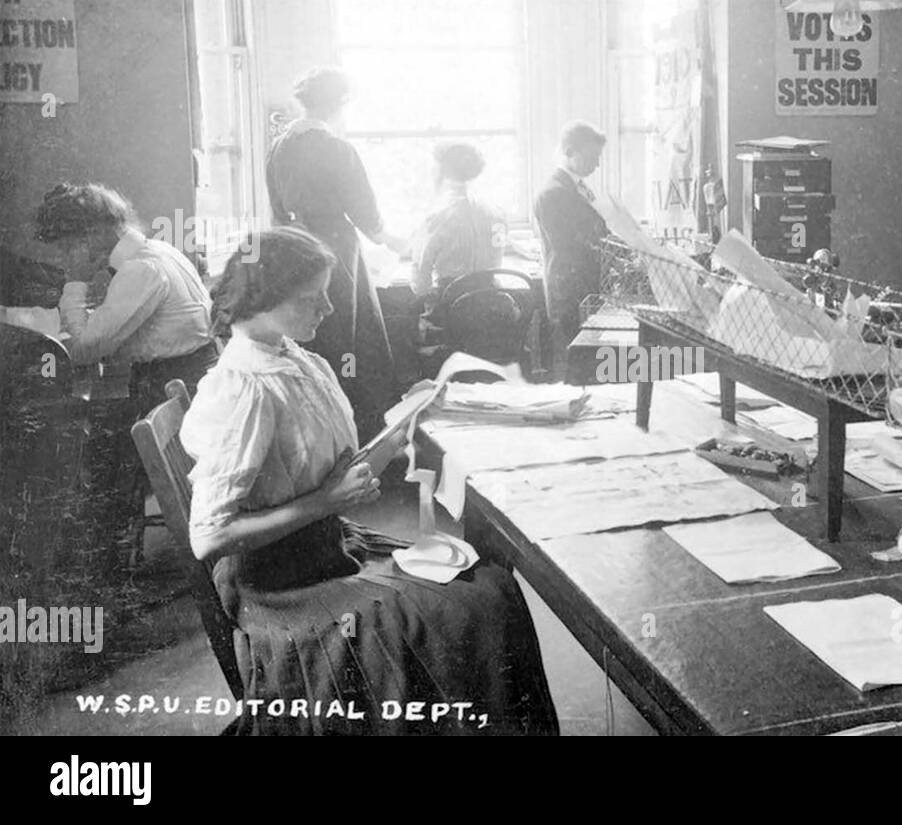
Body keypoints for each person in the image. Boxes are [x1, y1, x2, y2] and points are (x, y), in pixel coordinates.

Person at [180, 227, 559, 735]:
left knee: (488, 583)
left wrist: (404, 422)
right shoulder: (243, 391)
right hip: (279, 586)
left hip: (328, 549)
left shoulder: (293, 358)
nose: (328, 309)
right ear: (264, 300)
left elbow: (326, 471)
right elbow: (209, 538)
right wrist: (325, 501)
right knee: (478, 605)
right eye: (312, 298)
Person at [34, 182, 218, 572]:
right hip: (184, 386)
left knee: (87, 454)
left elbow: (84, 348)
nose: (67, 257)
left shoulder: (140, 270)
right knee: (96, 437)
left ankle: (101, 570)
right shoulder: (160, 252)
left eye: (68, 247)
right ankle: (104, 556)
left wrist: (75, 281)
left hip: (169, 398)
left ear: (93, 234)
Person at [266, 66, 406, 439]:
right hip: (337, 252)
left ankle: (320, 435)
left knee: (314, 341)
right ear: (340, 103)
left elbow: (276, 211)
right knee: (352, 342)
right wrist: (391, 240)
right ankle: (360, 432)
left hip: (293, 251)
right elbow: (365, 212)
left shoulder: (279, 148)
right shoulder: (338, 148)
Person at [533, 120, 609, 379]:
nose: (597, 165)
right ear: (569, 151)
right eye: (591, 157)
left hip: (587, 284)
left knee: (592, 358)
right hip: (569, 288)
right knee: (575, 359)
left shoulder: (579, 188)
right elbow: (567, 247)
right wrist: (608, 255)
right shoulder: (553, 193)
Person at [412, 141, 506, 306]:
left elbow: (421, 285)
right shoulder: (496, 212)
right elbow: (496, 262)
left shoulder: (437, 216)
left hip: (452, 315)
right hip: (491, 309)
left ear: (441, 171)